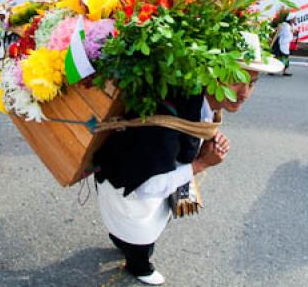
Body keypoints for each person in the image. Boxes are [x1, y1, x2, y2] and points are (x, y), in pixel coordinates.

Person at [93, 32, 283, 285]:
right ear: (213, 73)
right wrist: (202, 163)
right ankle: (138, 264)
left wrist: (205, 143)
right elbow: (146, 188)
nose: (246, 93)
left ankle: (122, 240)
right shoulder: (166, 122)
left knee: (146, 221)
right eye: (238, 79)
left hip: (140, 171)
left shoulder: (195, 99)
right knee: (142, 236)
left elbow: (191, 132)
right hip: (127, 186)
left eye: (253, 83)